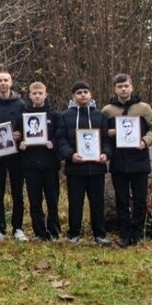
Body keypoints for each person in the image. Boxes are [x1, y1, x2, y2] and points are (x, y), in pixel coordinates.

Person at [102, 73, 152, 248]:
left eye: (126, 86)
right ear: (115, 89)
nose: (123, 89)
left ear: (131, 86)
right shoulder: (108, 111)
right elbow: (101, 135)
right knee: (122, 200)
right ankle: (124, 235)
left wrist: (145, 141)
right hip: (119, 162)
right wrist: (109, 133)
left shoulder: (144, 108)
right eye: (120, 87)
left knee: (140, 200)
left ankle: (138, 234)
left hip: (139, 160)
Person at [58, 81, 112, 247]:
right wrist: (70, 155)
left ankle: (99, 235)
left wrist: (106, 154)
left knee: (97, 202)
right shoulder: (66, 116)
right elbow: (61, 139)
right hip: (75, 168)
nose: (83, 95)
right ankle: (74, 234)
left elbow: (107, 140)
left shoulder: (100, 116)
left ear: (90, 94)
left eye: (85, 92)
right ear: (73, 96)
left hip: (96, 168)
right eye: (79, 92)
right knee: (75, 202)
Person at [0, 70, 28, 242]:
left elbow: (26, 128)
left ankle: (18, 228)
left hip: (16, 155)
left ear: (11, 82)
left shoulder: (21, 104)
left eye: (6, 80)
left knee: (18, 192)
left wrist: (20, 134)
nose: (3, 83)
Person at [19, 82, 64, 241]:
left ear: (46, 94)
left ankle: (54, 231)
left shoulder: (55, 115)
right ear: (30, 95)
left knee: (52, 200)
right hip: (30, 165)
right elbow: (18, 136)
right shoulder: (23, 115)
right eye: (34, 93)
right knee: (35, 201)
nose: (37, 96)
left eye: (40, 93)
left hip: (50, 165)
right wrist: (21, 144)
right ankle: (39, 232)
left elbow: (60, 137)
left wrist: (53, 144)